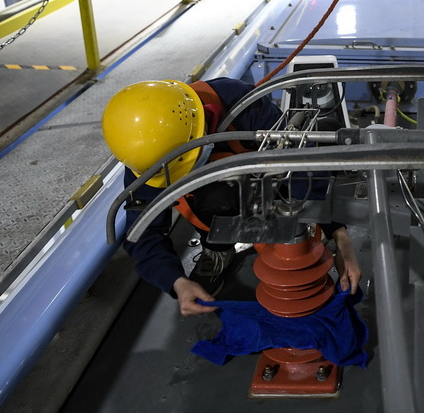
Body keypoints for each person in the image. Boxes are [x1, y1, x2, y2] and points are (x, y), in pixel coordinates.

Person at [102, 77, 361, 317]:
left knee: (324, 142)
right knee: (215, 199)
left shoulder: (238, 104)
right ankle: (217, 249)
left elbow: (299, 163)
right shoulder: (148, 155)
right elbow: (142, 234)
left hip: (261, 175)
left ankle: (293, 224)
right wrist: (177, 282)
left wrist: (340, 236)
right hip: (217, 198)